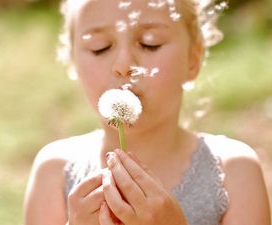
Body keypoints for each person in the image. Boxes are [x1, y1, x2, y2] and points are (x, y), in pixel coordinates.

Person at [23, 0, 271, 224]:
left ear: (193, 58)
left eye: (150, 43)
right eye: (100, 47)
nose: (123, 66)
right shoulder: (53, 171)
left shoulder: (234, 173)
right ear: (73, 62)